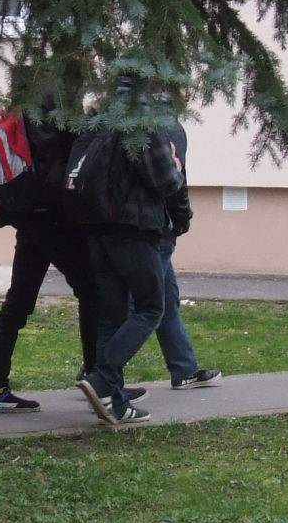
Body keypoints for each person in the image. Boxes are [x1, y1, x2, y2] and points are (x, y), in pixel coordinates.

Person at [69, 99, 190, 426]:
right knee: (151, 308)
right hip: (135, 229)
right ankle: (102, 376)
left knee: (111, 317)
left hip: (97, 228)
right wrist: (176, 169)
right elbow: (166, 182)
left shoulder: (97, 117)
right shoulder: (142, 118)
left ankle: (116, 403)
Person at [0, 97, 96, 415]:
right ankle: (99, 380)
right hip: (53, 216)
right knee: (91, 291)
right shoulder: (58, 101)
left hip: (30, 214)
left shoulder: (28, 101)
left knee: (18, 301)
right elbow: (71, 155)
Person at [148, 113, 220, 393]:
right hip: (158, 226)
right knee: (141, 304)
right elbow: (175, 180)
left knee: (165, 300)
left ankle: (184, 370)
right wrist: (181, 219)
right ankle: (99, 372)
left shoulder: (142, 118)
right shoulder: (165, 124)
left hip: (150, 224)